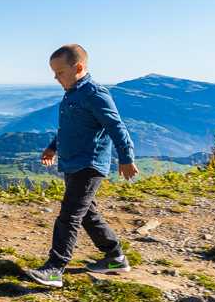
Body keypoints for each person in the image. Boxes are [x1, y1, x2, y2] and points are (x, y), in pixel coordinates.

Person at [26, 44, 139, 288]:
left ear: (78, 67)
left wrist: (126, 157)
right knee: (87, 213)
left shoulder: (95, 94)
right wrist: (53, 147)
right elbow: (70, 128)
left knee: (69, 215)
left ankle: (55, 269)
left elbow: (116, 126)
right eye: (54, 74)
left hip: (89, 164)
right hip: (73, 162)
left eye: (60, 73)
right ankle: (115, 257)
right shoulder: (73, 93)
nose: (57, 79)